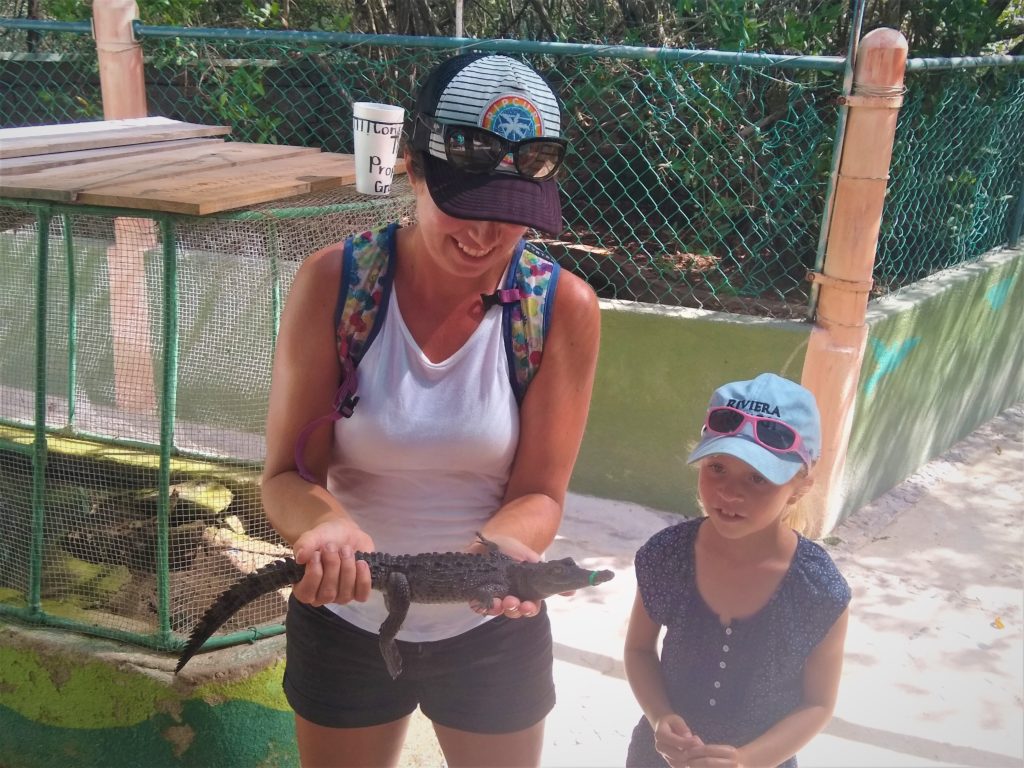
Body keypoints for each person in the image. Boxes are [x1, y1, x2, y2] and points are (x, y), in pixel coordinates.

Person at [260, 52, 601, 768]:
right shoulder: (337, 282)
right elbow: (284, 477)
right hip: (345, 617)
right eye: (464, 206)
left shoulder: (559, 306)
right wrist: (327, 529)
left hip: (490, 635)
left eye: (508, 218)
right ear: (412, 167)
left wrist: (506, 552)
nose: (482, 237)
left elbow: (540, 492)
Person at [623, 373, 851, 768]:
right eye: (717, 468)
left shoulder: (819, 590)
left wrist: (747, 761)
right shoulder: (667, 556)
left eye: (758, 478)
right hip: (660, 757)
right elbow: (639, 649)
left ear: (800, 486)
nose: (729, 492)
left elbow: (818, 704)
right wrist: (660, 716)